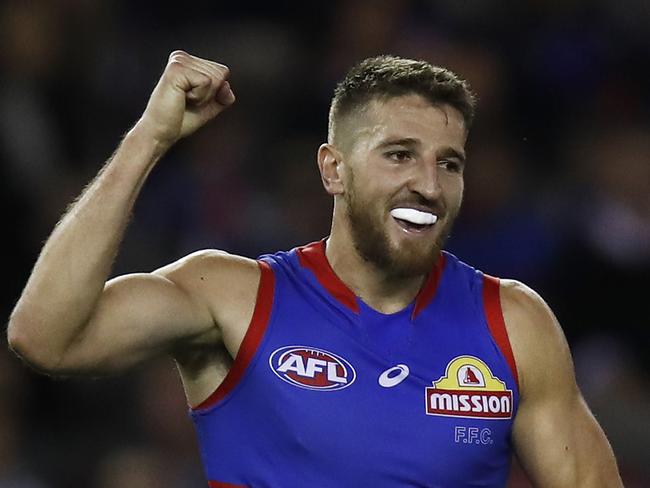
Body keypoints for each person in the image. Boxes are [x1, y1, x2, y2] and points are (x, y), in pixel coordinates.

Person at [7, 51, 623, 487]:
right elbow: (44, 337)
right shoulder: (234, 296)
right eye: (400, 155)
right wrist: (150, 137)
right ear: (333, 169)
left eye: (450, 163)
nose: (428, 185)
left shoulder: (512, 321)